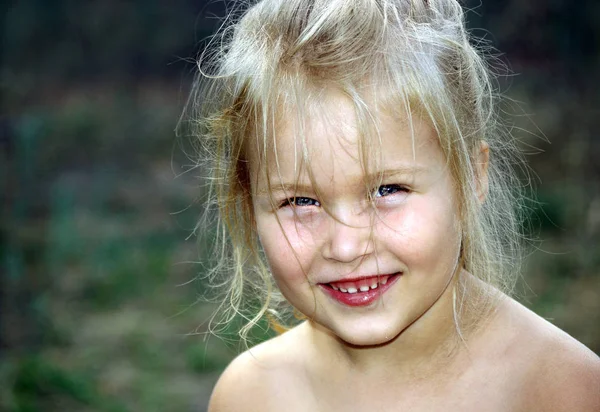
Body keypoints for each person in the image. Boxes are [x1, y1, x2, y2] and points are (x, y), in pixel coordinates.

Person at [186, 0, 600, 410]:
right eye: (301, 201)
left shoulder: (564, 391)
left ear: (471, 176)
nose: (346, 248)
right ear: (245, 202)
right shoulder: (250, 396)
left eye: (388, 190)